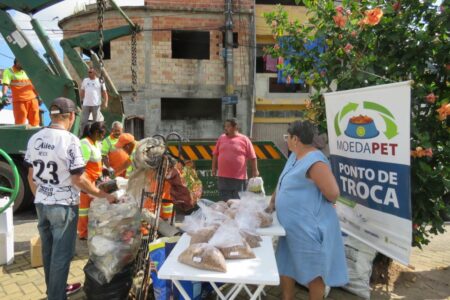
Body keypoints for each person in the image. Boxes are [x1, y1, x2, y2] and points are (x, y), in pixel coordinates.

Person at [25, 97, 116, 300]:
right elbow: (78, 179)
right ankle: (56, 296)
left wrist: (41, 197)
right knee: (61, 256)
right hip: (64, 206)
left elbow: (31, 176)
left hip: (41, 203)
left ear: (52, 115)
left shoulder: (35, 138)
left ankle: (53, 291)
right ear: (72, 116)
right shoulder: (70, 140)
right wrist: (103, 195)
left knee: (48, 252)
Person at [266, 120, 348, 300]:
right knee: (286, 264)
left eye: (288, 137)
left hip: (308, 227)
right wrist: (273, 202)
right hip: (291, 228)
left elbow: (333, 193)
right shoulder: (295, 156)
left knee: (313, 271)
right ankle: (287, 298)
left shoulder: (315, 160)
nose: (287, 140)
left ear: (296, 139)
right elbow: (282, 182)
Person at [212, 118, 259, 201]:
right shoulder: (221, 138)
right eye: (225, 126)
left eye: (228, 126)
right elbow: (215, 154)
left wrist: (255, 170)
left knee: (238, 202)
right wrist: (213, 168)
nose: (225, 128)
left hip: (239, 178)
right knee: (225, 202)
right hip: (223, 177)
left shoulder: (244, 139)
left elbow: (253, 157)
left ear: (235, 127)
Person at [78, 121, 106, 240]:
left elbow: (97, 161)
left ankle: (90, 230)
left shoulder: (96, 143)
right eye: (102, 134)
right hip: (86, 182)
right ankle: (83, 233)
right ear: (95, 132)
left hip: (93, 181)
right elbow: (81, 166)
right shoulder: (85, 143)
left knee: (92, 208)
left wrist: (103, 170)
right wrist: (84, 186)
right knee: (84, 210)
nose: (103, 137)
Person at [1, 59, 41, 126]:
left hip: (33, 100)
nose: (24, 64)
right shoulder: (9, 71)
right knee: (20, 123)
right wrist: (4, 95)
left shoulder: (27, 70)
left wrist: (38, 96)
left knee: (35, 123)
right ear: (17, 62)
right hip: (19, 102)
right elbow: (5, 84)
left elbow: (33, 85)